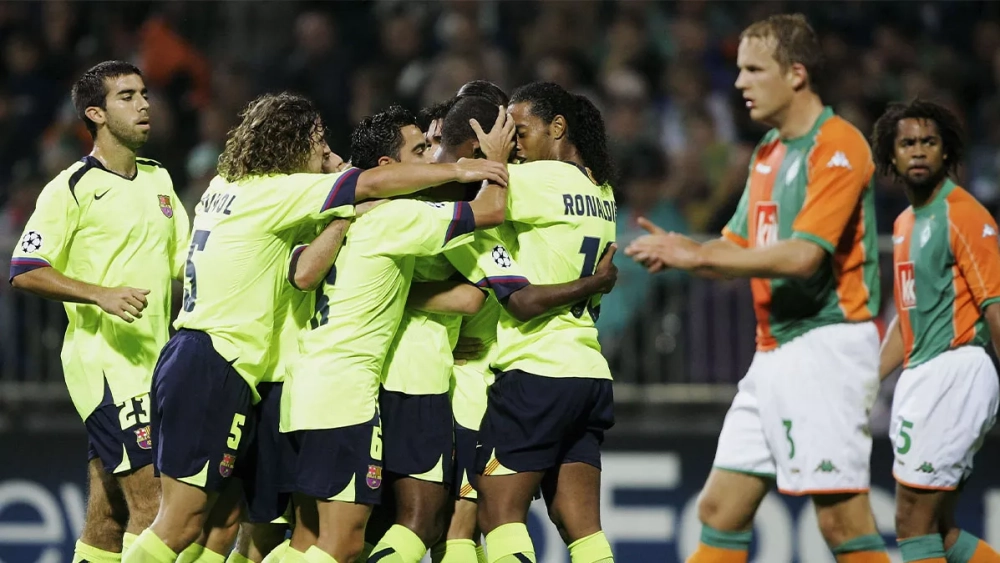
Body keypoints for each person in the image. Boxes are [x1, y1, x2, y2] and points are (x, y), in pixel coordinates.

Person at [123, 92, 509, 562]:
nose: (326, 154)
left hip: (260, 375)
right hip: (254, 371)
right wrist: (470, 167)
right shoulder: (301, 198)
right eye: (319, 143)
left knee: (235, 529)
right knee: (200, 525)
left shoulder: (233, 187)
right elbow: (478, 216)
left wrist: (344, 213)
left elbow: (304, 272)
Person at [625, 14, 889, 563]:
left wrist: (700, 255)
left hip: (826, 347)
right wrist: (684, 253)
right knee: (720, 510)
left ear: (795, 74)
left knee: (842, 524)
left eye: (753, 69)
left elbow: (803, 256)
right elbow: (733, 246)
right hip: (774, 352)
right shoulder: (768, 151)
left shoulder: (838, 146)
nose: (739, 82)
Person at [279, 104, 512, 563]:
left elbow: (305, 275)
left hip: (302, 387)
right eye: (421, 149)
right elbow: (491, 211)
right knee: (370, 537)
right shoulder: (398, 219)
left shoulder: (326, 218)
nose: (433, 157)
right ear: (388, 168)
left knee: (309, 538)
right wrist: (494, 159)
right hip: (356, 391)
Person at [9, 60, 189, 563]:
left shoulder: (159, 179)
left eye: (144, 93)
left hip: (157, 363)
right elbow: (24, 268)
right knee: (155, 509)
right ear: (97, 113)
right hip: (107, 364)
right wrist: (99, 293)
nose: (144, 104)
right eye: (127, 96)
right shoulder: (71, 188)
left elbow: (187, 262)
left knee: (107, 518)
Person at [426, 94, 619, 563]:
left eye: (520, 133)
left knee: (497, 514)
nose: (512, 146)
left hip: (537, 369)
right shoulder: (603, 191)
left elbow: (458, 191)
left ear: (557, 127)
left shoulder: (534, 180)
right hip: (589, 369)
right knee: (581, 524)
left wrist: (483, 157)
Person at [872, 100, 1000, 563]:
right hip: (923, 376)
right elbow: (908, 323)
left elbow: (995, 308)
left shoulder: (964, 214)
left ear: (946, 152)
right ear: (892, 156)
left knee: (911, 520)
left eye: (929, 142)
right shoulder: (905, 224)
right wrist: (868, 379)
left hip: (956, 371)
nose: (919, 152)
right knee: (940, 529)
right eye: (907, 143)